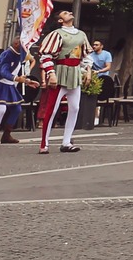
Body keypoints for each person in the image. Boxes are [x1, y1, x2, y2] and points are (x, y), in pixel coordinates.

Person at [35, 9, 91, 153]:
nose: (70, 13)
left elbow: (84, 56)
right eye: (65, 13)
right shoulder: (56, 34)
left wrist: (88, 71)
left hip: (75, 73)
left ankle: (66, 141)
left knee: (75, 108)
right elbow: (46, 56)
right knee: (52, 109)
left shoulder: (81, 34)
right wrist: (51, 74)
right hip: (60, 72)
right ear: (60, 20)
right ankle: (44, 143)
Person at [0, 40, 29, 144]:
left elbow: (19, 70)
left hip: (10, 84)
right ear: (17, 44)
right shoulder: (7, 54)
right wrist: (17, 78)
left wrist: (27, 81)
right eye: (24, 45)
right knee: (1, 109)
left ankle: (6, 135)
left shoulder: (20, 54)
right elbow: (4, 72)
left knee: (17, 109)